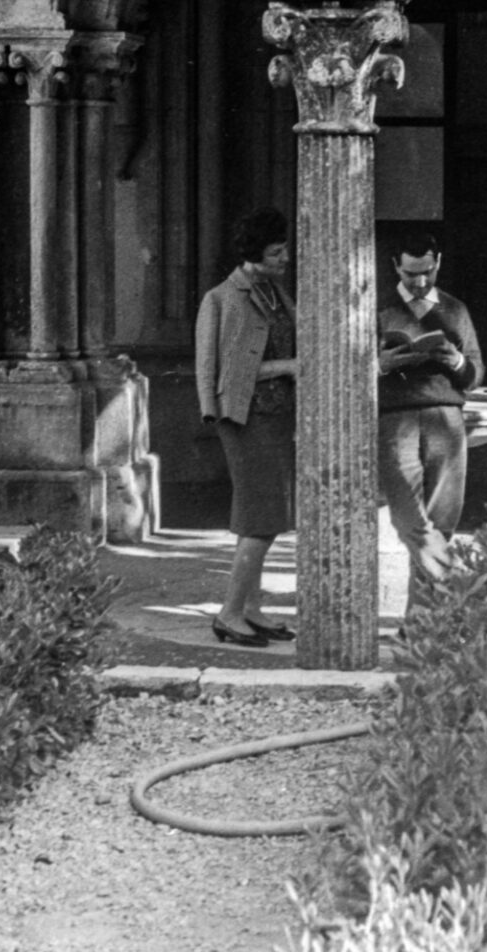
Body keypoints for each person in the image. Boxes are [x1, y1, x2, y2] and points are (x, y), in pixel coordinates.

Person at [195, 207, 300, 648]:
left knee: (269, 518)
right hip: (245, 419)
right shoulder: (226, 297)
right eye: (277, 251)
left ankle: (252, 609)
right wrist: (291, 366)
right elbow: (232, 374)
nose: (286, 257)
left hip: (275, 418)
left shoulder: (274, 290)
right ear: (255, 254)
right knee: (259, 520)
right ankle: (230, 613)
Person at [376, 232, 483, 591]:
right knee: (410, 520)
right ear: (395, 267)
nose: (420, 282)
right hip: (396, 419)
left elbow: (474, 373)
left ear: (438, 263)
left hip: (447, 420)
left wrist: (456, 360)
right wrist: (379, 364)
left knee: (442, 522)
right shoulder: (377, 307)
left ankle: (420, 625)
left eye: (428, 272)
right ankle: (469, 587)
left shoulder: (455, 309)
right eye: (410, 274)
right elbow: (348, 372)